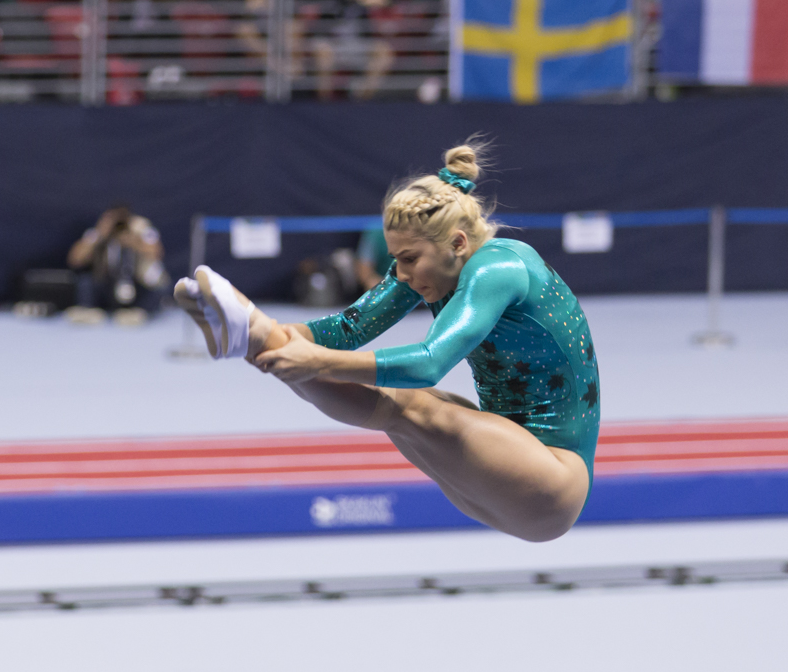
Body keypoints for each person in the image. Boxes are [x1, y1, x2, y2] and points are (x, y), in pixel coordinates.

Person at [176, 143, 600, 543]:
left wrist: (316, 362)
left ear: (457, 243)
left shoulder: (498, 270)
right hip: (502, 468)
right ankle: (252, 338)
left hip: (552, 483)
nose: (401, 273)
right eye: (395, 258)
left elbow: (429, 362)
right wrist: (292, 342)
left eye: (409, 259)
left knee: (414, 402)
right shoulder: (431, 265)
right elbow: (347, 329)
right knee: (394, 407)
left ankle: (254, 334)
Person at [65, 205, 167, 326]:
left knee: (160, 286)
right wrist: (99, 234)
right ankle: (89, 311)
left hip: (137, 283)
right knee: (85, 281)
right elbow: (75, 260)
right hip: (109, 284)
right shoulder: (97, 233)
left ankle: (139, 312)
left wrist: (134, 241)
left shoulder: (143, 230)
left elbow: (157, 254)